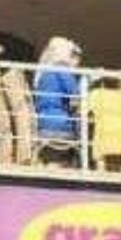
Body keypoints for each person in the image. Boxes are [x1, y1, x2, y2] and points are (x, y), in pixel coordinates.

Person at [33, 36, 83, 164]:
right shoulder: (62, 70)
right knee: (83, 127)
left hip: (42, 125)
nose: (76, 62)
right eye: (72, 55)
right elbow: (76, 95)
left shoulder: (42, 74)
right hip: (60, 125)